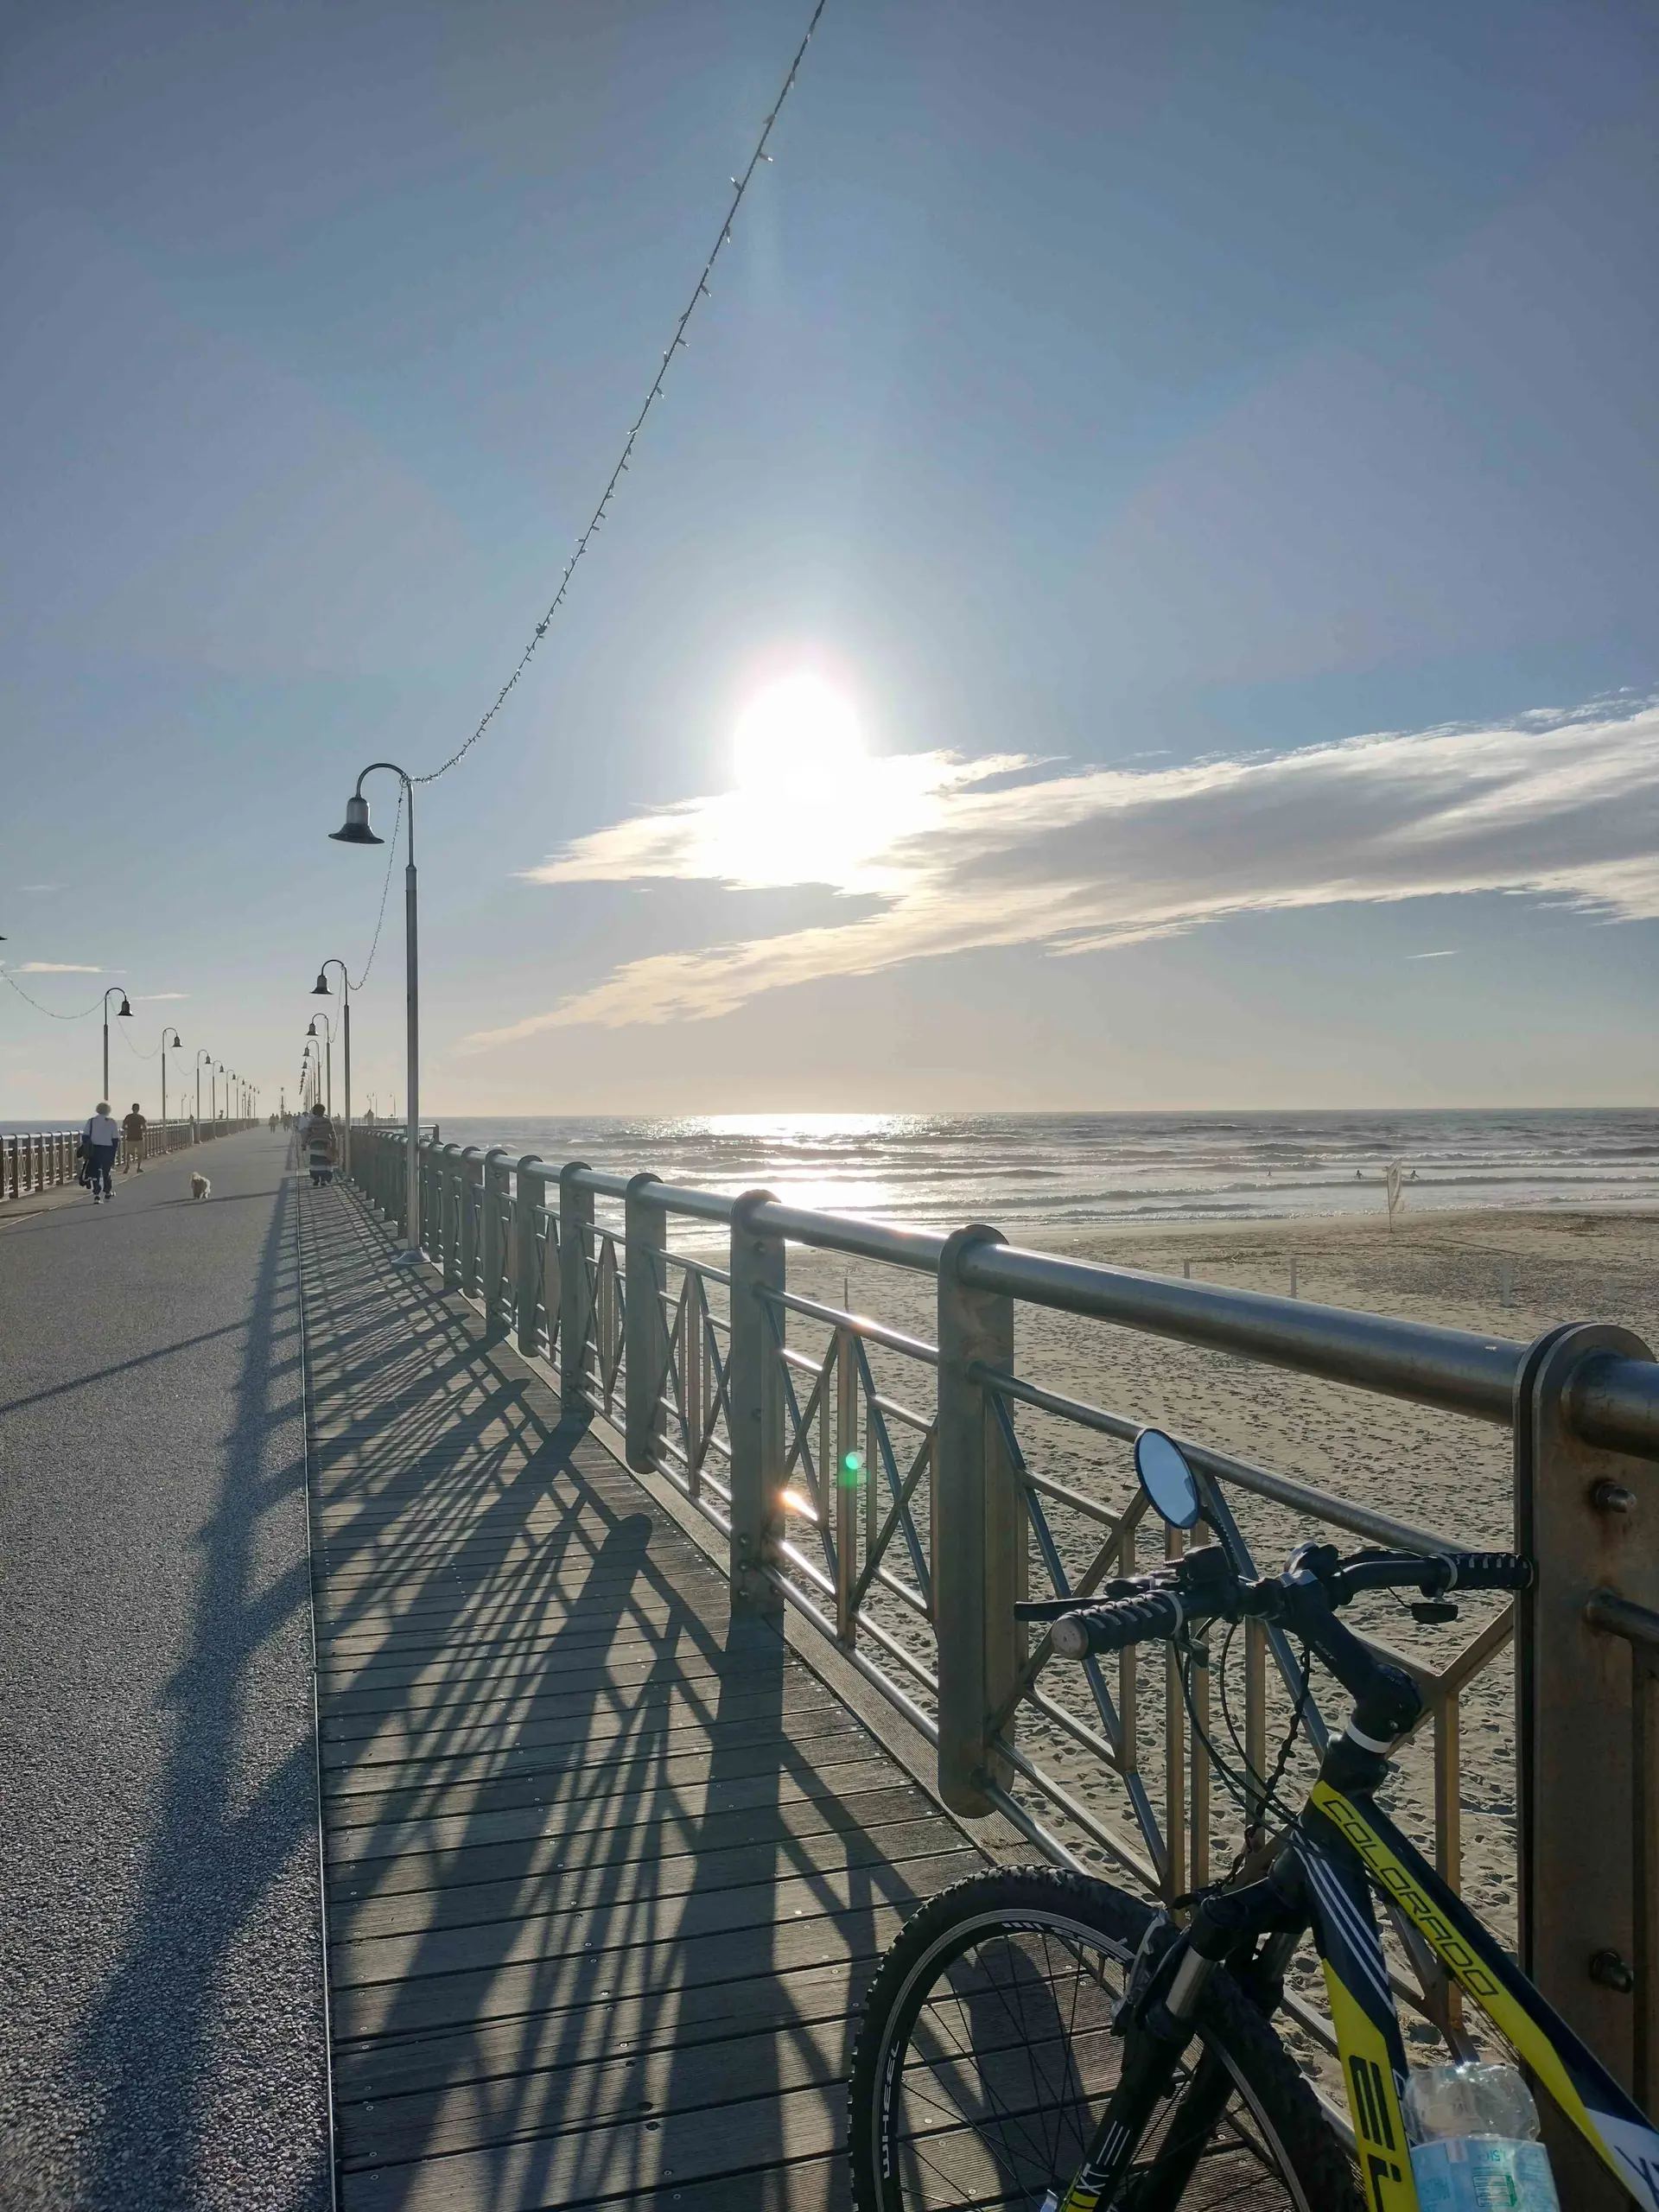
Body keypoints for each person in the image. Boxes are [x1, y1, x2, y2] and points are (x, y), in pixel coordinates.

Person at [84, 1102, 120, 1203]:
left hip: (94, 1149)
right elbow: (115, 1139)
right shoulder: (112, 1122)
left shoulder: (91, 1121)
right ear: (108, 1110)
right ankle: (107, 1192)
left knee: (95, 1172)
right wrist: (114, 1153)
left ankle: (96, 1195)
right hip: (107, 1149)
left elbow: (85, 1136)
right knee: (106, 1171)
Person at [121, 1101, 148, 1173]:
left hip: (130, 1137)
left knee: (129, 1153)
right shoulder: (141, 1117)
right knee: (140, 1153)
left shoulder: (128, 1117)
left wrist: (129, 1129)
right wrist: (139, 1130)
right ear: (138, 1109)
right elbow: (145, 1128)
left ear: (132, 1109)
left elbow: (123, 1127)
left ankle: (127, 1166)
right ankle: (138, 1167)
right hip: (139, 1137)